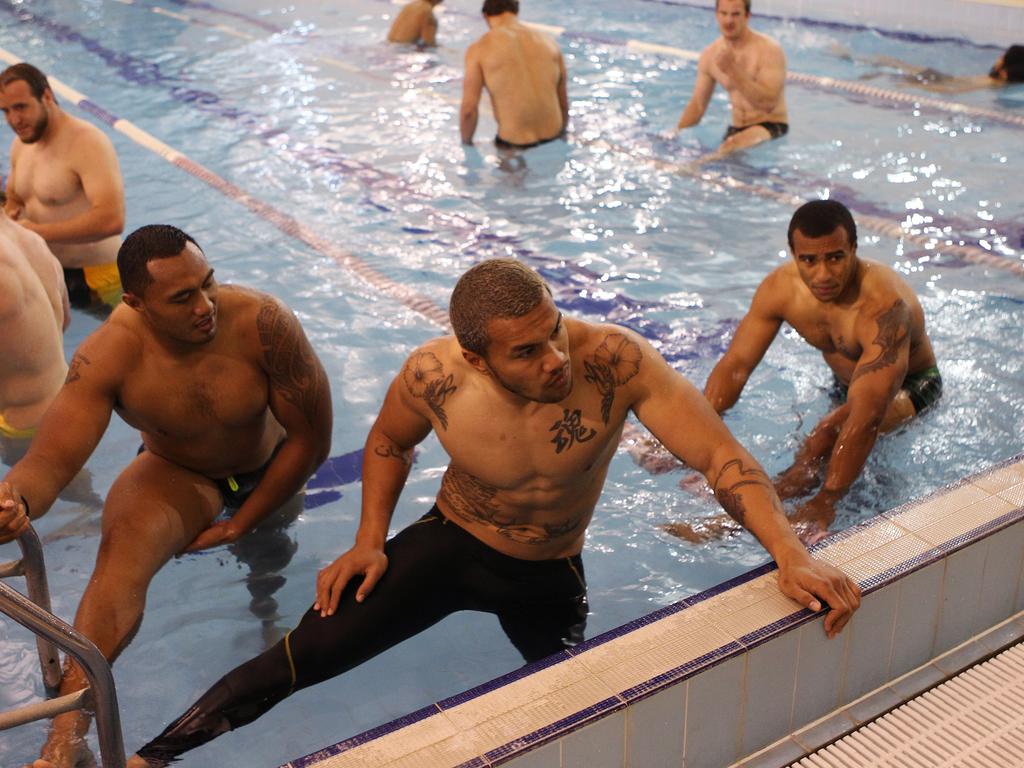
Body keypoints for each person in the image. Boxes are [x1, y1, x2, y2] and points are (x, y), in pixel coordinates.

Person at [120, 258, 860, 768]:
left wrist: (789, 552)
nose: (556, 359)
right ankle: (150, 756)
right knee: (303, 657)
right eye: (528, 351)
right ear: (478, 359)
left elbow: (721, 458)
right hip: (451, 547)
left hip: (548, 570)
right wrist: (370, 539)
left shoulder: (615, 362)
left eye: (556, 330)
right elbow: (385, 442)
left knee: (585, 708)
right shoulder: (435, 377)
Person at [0, 224, 332, 768]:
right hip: (178, 470)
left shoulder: (262, 323)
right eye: (182, 298)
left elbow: (311, 441)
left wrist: (241, 522)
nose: (205, 307)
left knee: (268, 563)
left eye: (209, 284)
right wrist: (15, 503)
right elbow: (50, 462)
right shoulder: (109, 355)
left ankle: (266, 611)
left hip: (271, 467)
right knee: (118, 564)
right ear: (136, 302)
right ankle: (65, 738)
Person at [698, 199, 941, 542]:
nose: (822, 274)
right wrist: (698, 439)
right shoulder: (780, 289)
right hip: (844, 384)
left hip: (912, 384)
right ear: (793, 254)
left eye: (835, 258)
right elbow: (736, 366)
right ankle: (760, 506)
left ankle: (746, 516)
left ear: (854, 249)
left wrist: (827, 501)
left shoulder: (884, 307)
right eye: (808, 260)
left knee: (823, 439)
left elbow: (867, 415)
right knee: (819, 443)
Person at [0, 62, 125, 309]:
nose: (14, 119)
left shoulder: (87, 143)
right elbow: (16, 197)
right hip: (48, 269)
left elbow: (112, 220)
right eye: (5, 111)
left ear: (47, 96)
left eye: (21, 107)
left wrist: (35, 232)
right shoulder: (22, 142)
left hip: (98, 276)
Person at [0, 190, 69, 465]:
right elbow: (65, 320)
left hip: (28, 426)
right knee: (75, 494)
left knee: (47, 499)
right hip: (63, 400)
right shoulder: (33, 241)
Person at [674, 0, 788, 156]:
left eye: (735, 14)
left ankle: (691, 168)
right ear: (716, 15)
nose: (728, 21)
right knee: (727, 152)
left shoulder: (769, 50)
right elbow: (698, 106)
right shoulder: (710, 55)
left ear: (747, 16)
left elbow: (767, 103)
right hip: (736, 130)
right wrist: (676, 133)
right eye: (724, 13)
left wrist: (732, 69)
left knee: (728, 148)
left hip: (771, 125)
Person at [460, 0, 569, 149]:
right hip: (554, 140)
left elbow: (468, 110)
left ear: (485, 15)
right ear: (516, 11)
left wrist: (466, 143)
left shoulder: (479, 49)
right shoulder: (549, 43)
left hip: (514, 147)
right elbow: (563, 103)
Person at [841, 43, 1024, 94]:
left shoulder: (993, 77)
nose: (998, 59)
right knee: (890, 74)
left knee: (895, 64)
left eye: (1002, 57)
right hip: (941, 80)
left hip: (941, 76)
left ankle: (848, 55)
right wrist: (918, 88)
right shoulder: (991, 82)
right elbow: (952, 91)